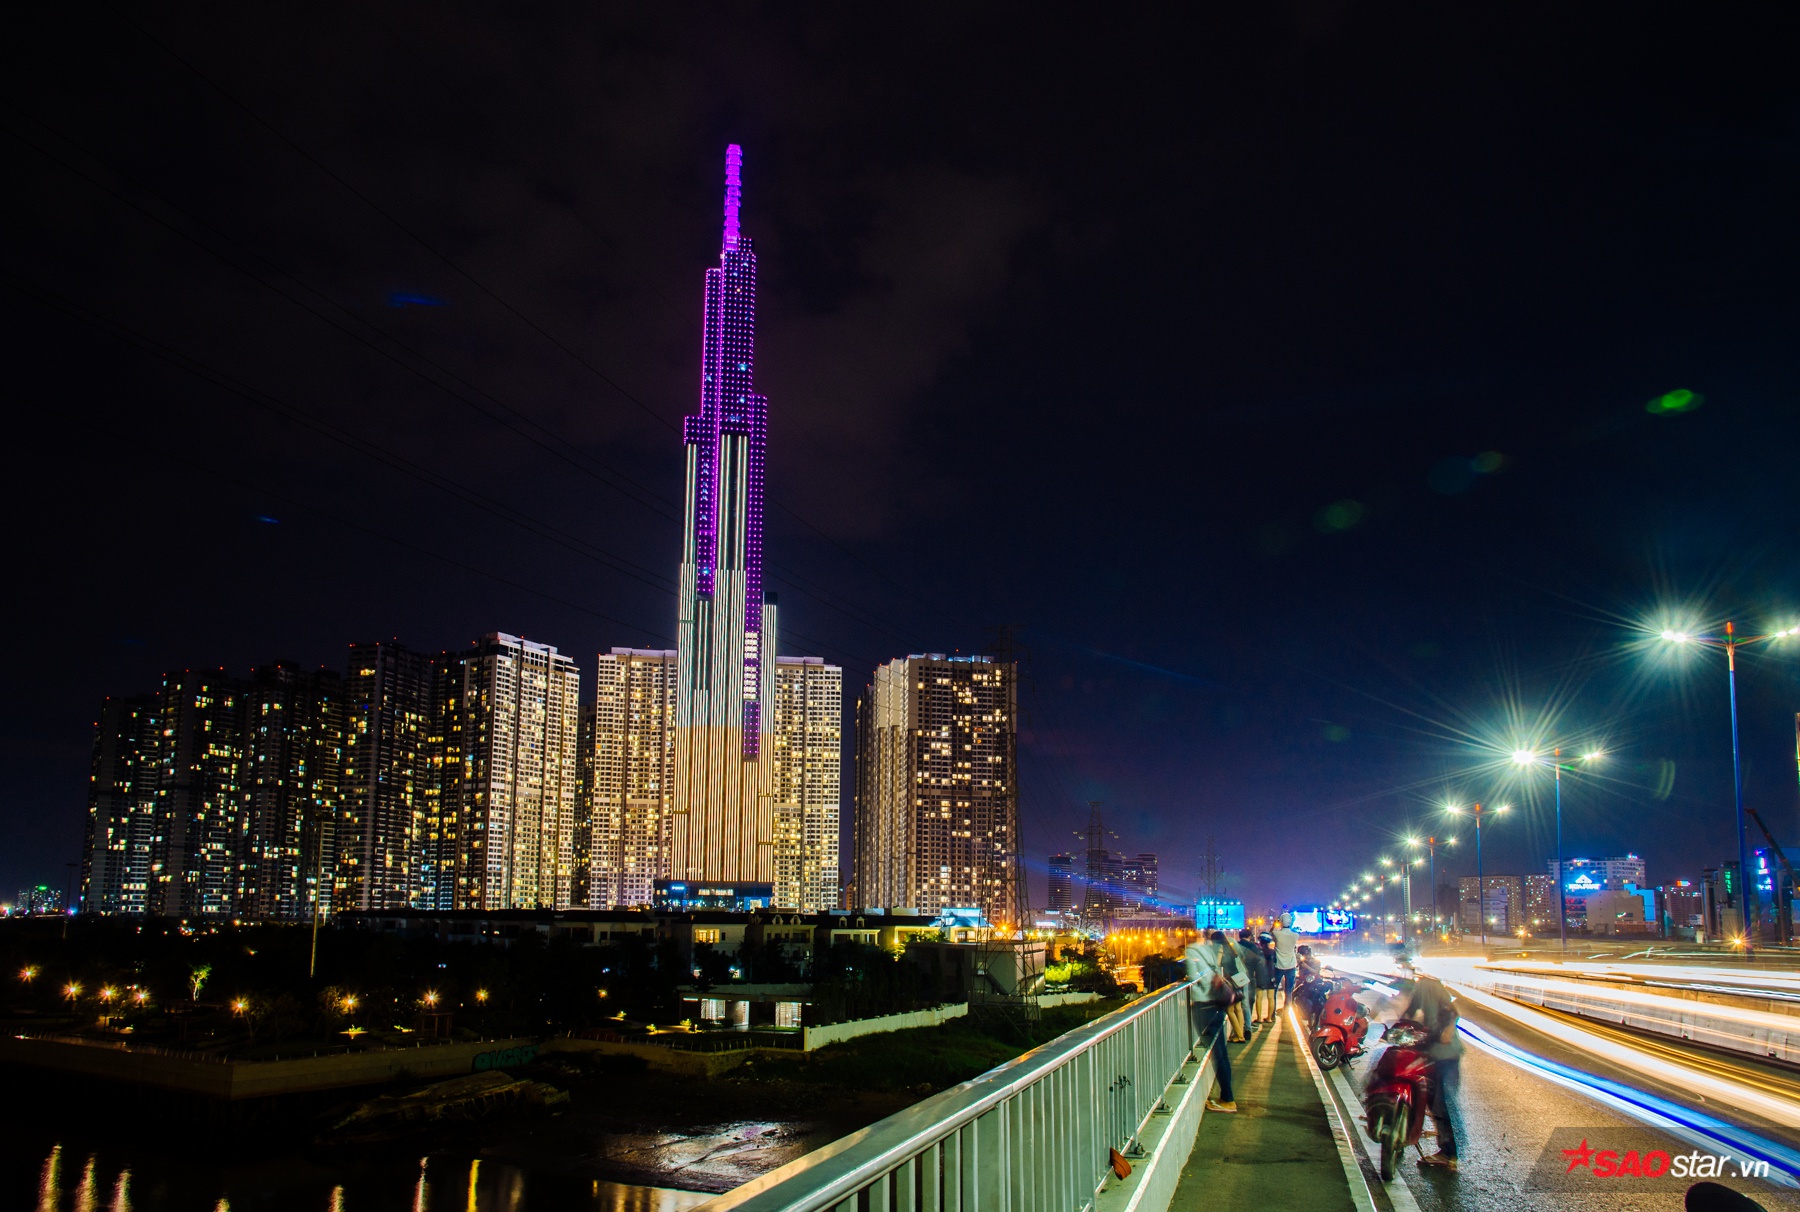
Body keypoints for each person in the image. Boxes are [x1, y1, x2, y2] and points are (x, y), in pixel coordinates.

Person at [1398, 971, 1463, 1172]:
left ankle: (1449, 1153)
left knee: (1440, 1103)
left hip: (1444, 1054)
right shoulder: (1420, 987)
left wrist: (1447, 1031)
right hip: (1432, 1050)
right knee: (1432, 1100)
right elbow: (1410, 1012)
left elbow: (1452, 1011)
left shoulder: (1429, 985)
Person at [1183, 930, 1239, 1113]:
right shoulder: (1208, 950)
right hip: (1216, 1003)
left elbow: (1194, 977)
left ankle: (1228, 1099)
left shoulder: (1191, 951)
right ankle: (1227, 1097)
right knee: (1221, 1052)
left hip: (1203, 1005)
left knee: (1218, 1054)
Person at [1213, 930, 1248, 1042]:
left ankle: (1240, 1036)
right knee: (1238, 1008)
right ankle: (1239, 1035)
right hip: (1237, 979)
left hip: (1229, 981)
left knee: (1230, 1010)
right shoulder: (1231, 947)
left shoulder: (1220, 949)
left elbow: (1217, 965)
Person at [1234, 929, 1269, 1029]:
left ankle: (1239, 1024)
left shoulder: (1236, 946)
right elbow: (1258, 963)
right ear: (1250, 936)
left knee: (1238, 1002)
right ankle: (1247, 1025)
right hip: (1249, 975)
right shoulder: (1253, 947)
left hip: (1236, 975)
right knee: (1249, 1000)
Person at [1271, 914, 1300, 1007]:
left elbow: (1271, 933)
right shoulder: (1295, 935)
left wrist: (1275, 924)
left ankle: (1272, 1011)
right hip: (1291, 965)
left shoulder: (1277, 934)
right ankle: (1286, 1011)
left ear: (1281, 921)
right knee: (1288, 991)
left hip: (1278, 965)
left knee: (1273, 991)